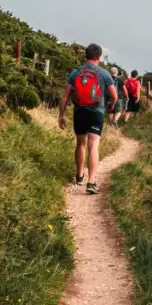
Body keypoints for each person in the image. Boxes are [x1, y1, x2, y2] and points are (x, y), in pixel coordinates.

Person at [57, 44, 117, 195]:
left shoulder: (76, 72)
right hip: (96, 112)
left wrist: (61, 115)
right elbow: (114, 96)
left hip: (79, 111)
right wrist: (110, 105)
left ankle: (79, 176)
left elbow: (65, 96)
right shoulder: (104, 73)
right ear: (99, 57)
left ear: (85, 55)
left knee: (81, 144)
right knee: (93, 145)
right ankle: (91, 181)